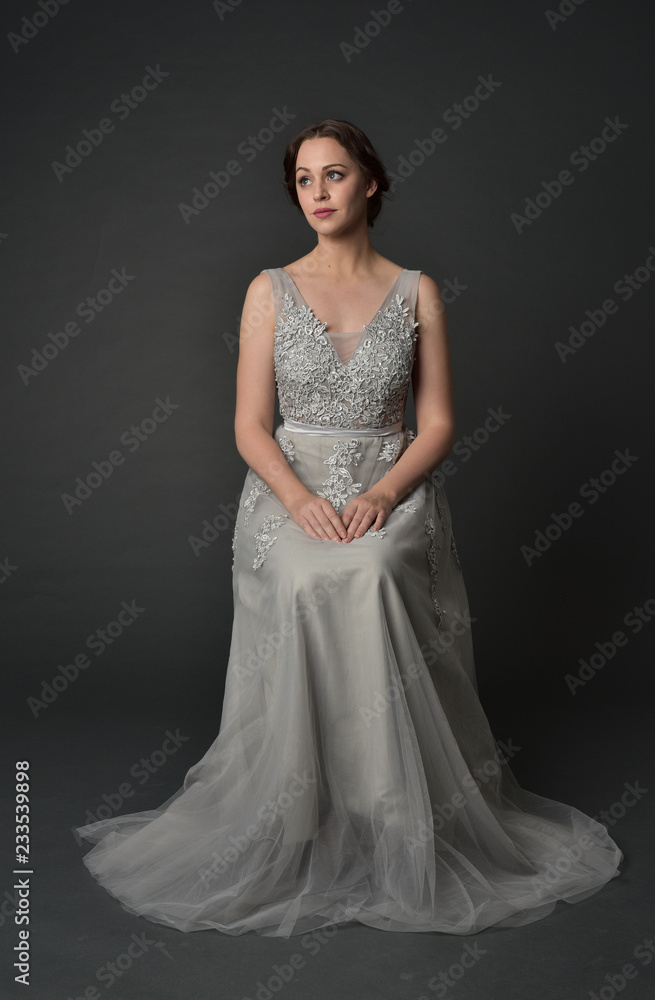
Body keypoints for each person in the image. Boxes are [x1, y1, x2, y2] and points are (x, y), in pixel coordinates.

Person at [76, 119, 622, 938]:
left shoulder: (417, 291)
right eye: (303, 179)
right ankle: (301, 815)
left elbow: (436, 422)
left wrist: (385, 493)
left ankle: (392, 813)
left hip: (393, 489)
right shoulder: (268, 290)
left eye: (334, 175)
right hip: (287, 492)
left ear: (372, 182)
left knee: (367, 573)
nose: (318, 193)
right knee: (303, 574)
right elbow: (249, 426)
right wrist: (300, 500)